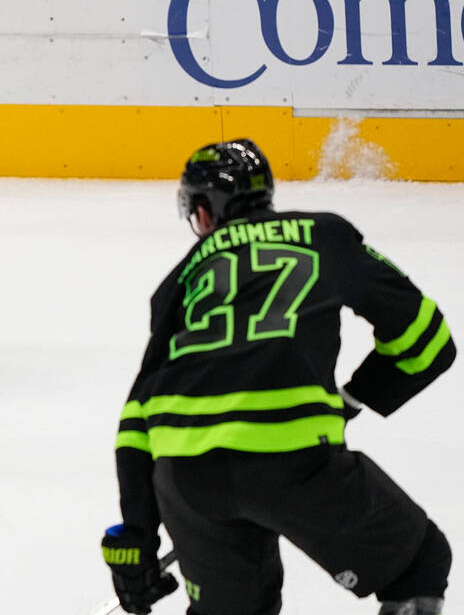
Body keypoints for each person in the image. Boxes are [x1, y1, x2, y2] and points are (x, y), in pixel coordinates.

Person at [101, 139, 454, 615]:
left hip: (186, 477)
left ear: (204, 212)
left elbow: (137, 420)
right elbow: (427, 341)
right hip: (290, 462)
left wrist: (137, 543)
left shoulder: (178, 280)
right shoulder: (322, 234)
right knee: (416, 566)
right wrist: (350, 399)